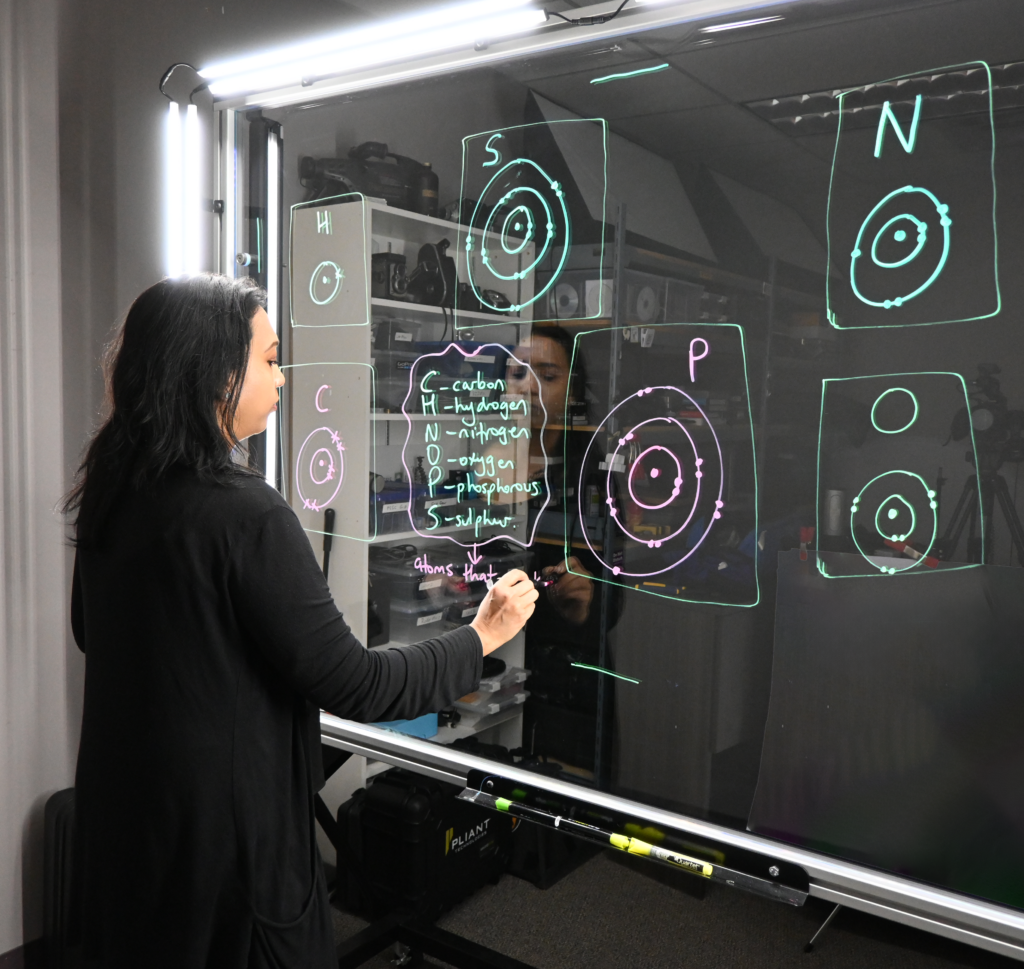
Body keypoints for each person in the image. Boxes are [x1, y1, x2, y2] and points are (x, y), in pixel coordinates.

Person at [63, 274, 537, 969]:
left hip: (132, 836)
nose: (282, 377)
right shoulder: (247, 514)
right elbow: (359, 684)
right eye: (270, 357)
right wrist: (481, 636)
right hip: (229, 865)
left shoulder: (117, 491)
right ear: (215, 374)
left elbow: (93, 630)